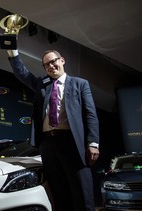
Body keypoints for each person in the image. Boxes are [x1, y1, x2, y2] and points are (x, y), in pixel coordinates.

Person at [7, 49, 100, 211]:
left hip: (72, 143)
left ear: (62, 60)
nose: (50, 66)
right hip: (48, 145)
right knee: (58, 192)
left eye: (53, 61)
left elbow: (90, 115)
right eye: (46, 65)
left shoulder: (80, 84)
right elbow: (21, 73)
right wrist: (12, 51)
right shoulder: (41, 84)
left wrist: (93, 143)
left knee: (82, 193)